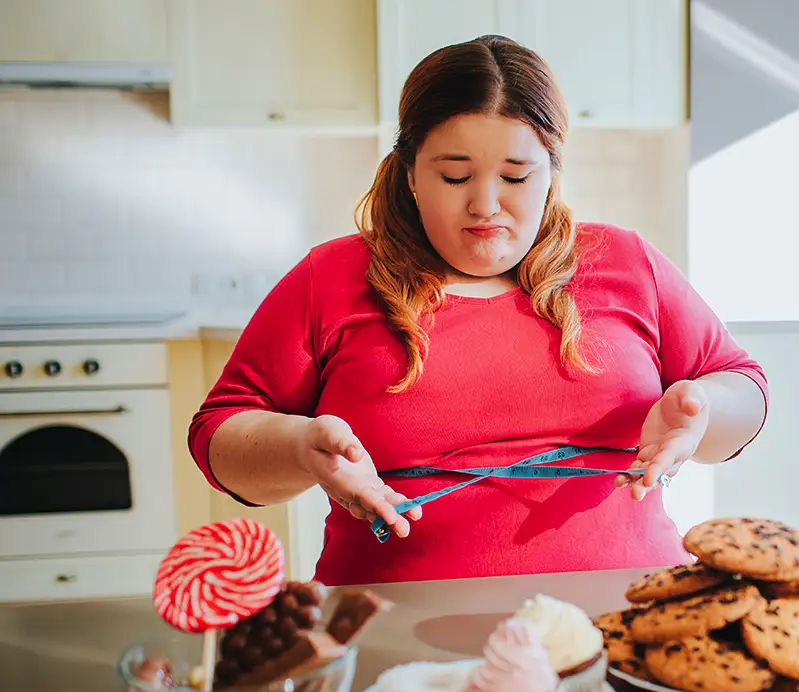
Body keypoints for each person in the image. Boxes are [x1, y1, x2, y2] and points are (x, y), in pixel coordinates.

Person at [188, 35, 769, 586]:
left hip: (624, 621)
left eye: (516, 176)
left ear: (551, 176)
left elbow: (745, 388)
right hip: (396, 644)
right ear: (411, 172)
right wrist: (298, 449)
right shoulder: (331, 280)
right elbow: (219, 436)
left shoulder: (625, 262)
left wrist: (703, 411)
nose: (485, 204)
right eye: (455, 175)